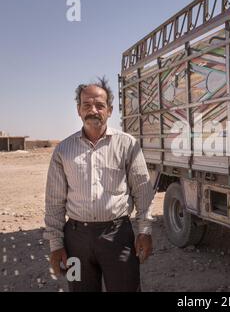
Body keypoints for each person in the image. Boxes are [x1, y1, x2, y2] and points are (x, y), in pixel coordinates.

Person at [44, 77, 154, 292]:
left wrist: (145, 231)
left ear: (110, 110)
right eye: (86, 105)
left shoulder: (127, 144)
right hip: (75, 240)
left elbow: (143, 192)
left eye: (99, 105)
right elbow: (54, 202)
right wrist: (56, 245)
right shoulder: (63, 150)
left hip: (118, 236)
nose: (93, 110)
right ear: (78, 110)